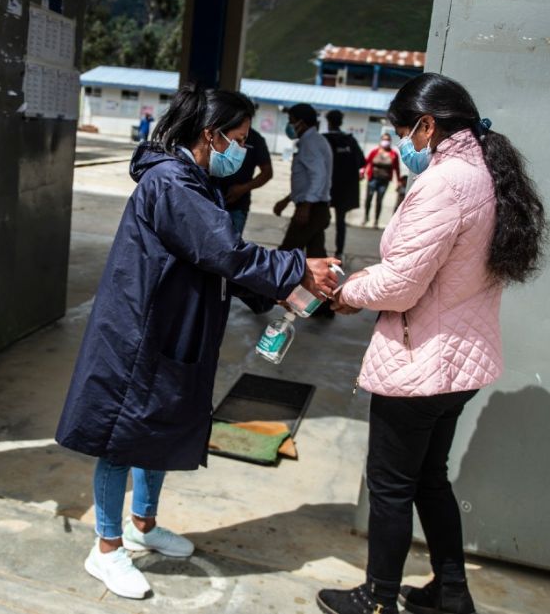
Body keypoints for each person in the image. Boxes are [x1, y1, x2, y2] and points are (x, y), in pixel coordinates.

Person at [55, 85, 340, 600]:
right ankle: (106, 548)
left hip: (175, 329)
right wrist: (298, 266)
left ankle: (144, 524)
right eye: (239, 138)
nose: (245, 150)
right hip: (139, 334)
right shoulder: (172, 183)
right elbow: (224, 250)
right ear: (210, 135)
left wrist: (278, 296)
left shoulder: (195, 179)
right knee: (121, 439)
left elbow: (216, 264)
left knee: (160, 428)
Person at [318, 73, 548, 614]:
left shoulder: (445, 183)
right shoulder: (486, 172)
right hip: (459, 364)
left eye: (402, 131)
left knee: (392, 485)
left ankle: (377, 600)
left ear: (426, 125)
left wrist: (347, 290)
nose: (401, 143)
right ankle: (450, 593)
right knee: (429, 479)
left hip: (421, 362)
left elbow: (402, 285)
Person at [273, 103, 333, 257]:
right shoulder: (314, 140)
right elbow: (307, 180)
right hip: (316, 208)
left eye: (291, 121)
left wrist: (306, 207)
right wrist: (287, 200)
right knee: (316, 256)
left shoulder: (310, 143)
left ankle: (275, 280)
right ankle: (323, 281)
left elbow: (319, 176)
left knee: (286, 255)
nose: (289, 125)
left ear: (302, 122)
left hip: (312, 209)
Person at [323, 110, 366, 260]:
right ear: (340, 122)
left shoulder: (324, 139)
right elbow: (362, 161)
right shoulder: (350, 141)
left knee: (319, 219)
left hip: (326, 188)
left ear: (328, 123)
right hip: (344, 190)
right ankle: (339, 252)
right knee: (340, 222)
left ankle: (317, 251)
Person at [215, 128, 273, 235]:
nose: (239, 146)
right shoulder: (218, 131)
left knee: (230, 245)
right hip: (211, 201)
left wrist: (242, 189)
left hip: (237, 206)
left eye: (242, 141)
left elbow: (267, 172)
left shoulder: (255, 139)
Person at [363, 132, 402, 228]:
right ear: (381, 140)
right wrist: (362, 172)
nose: (386, 141)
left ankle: (376, 221)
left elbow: (397, 168)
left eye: (388, 140)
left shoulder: (393, 154)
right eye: (384, 139)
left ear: (390, 141)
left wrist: (399, 181)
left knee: (379, 201)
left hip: (384, 181)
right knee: (368, 198)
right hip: (372, 179)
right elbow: (366, 162)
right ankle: (366, 217)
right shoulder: (375, 152)